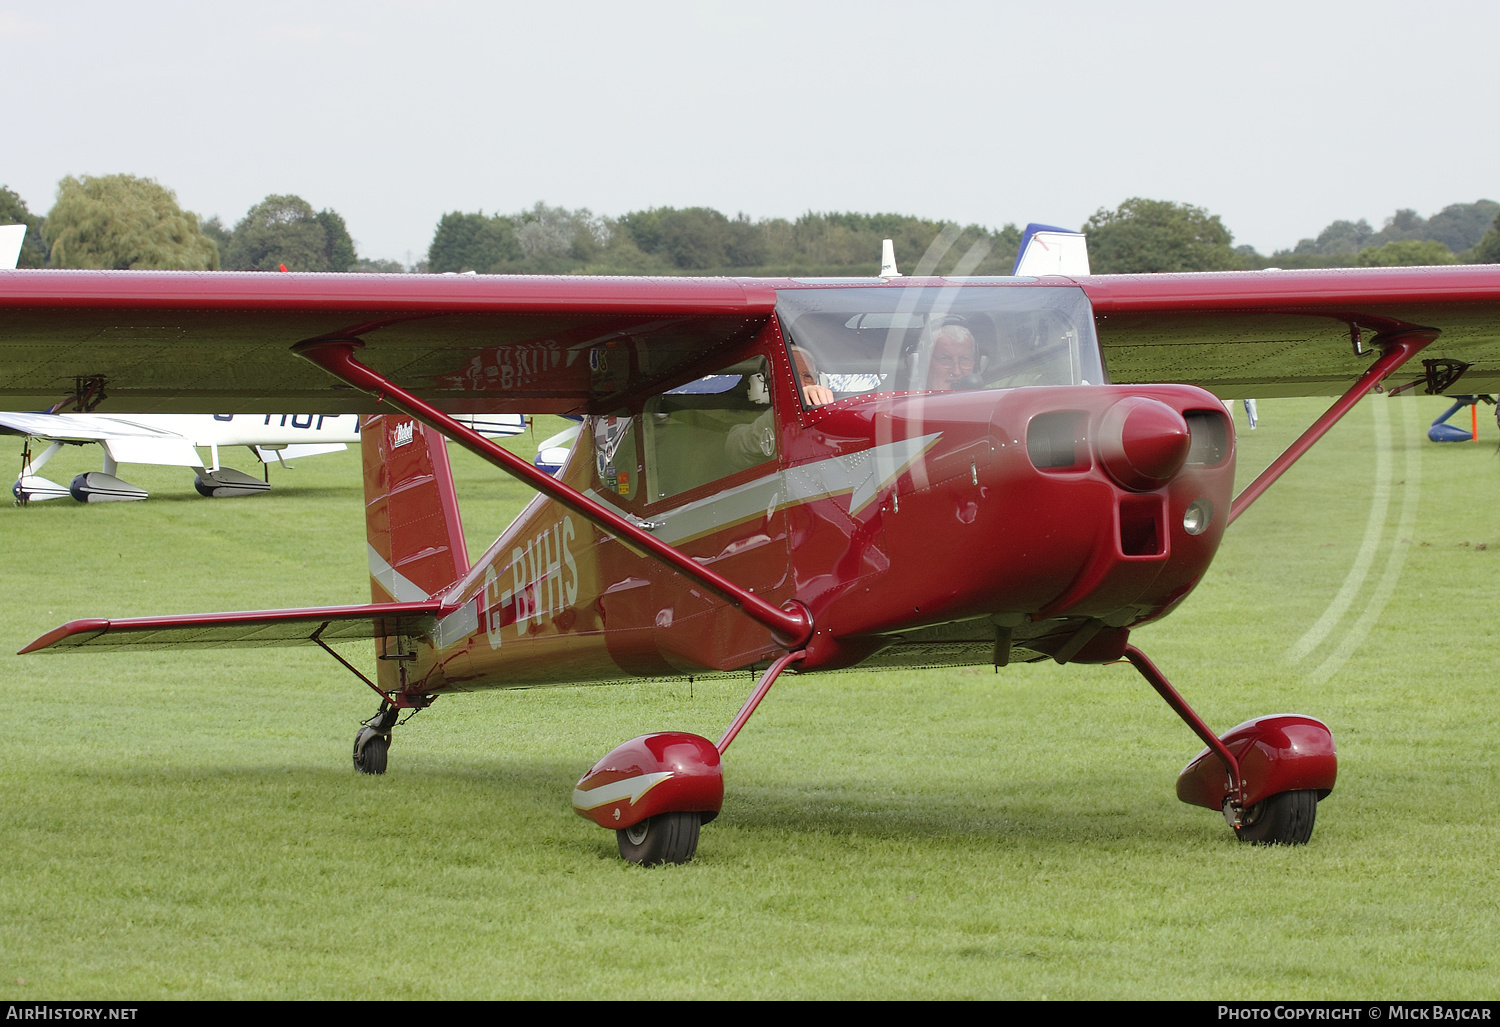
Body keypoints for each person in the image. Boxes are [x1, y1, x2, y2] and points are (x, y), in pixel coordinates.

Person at [725, 347, 831, 469]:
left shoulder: (830, 413)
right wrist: (780, 415)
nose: (801, 384)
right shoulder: (754, 426)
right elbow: (736, 451)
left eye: (807, 375)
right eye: (789, 375)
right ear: (763, 386)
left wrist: (825, 411)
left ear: (820, 382)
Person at [925, 324, 977, 390]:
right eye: (945, 360)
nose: (956, 372)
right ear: (927, 364)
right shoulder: (911, 399)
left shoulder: (988, 398)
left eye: (964, 360)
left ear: (974, 364)